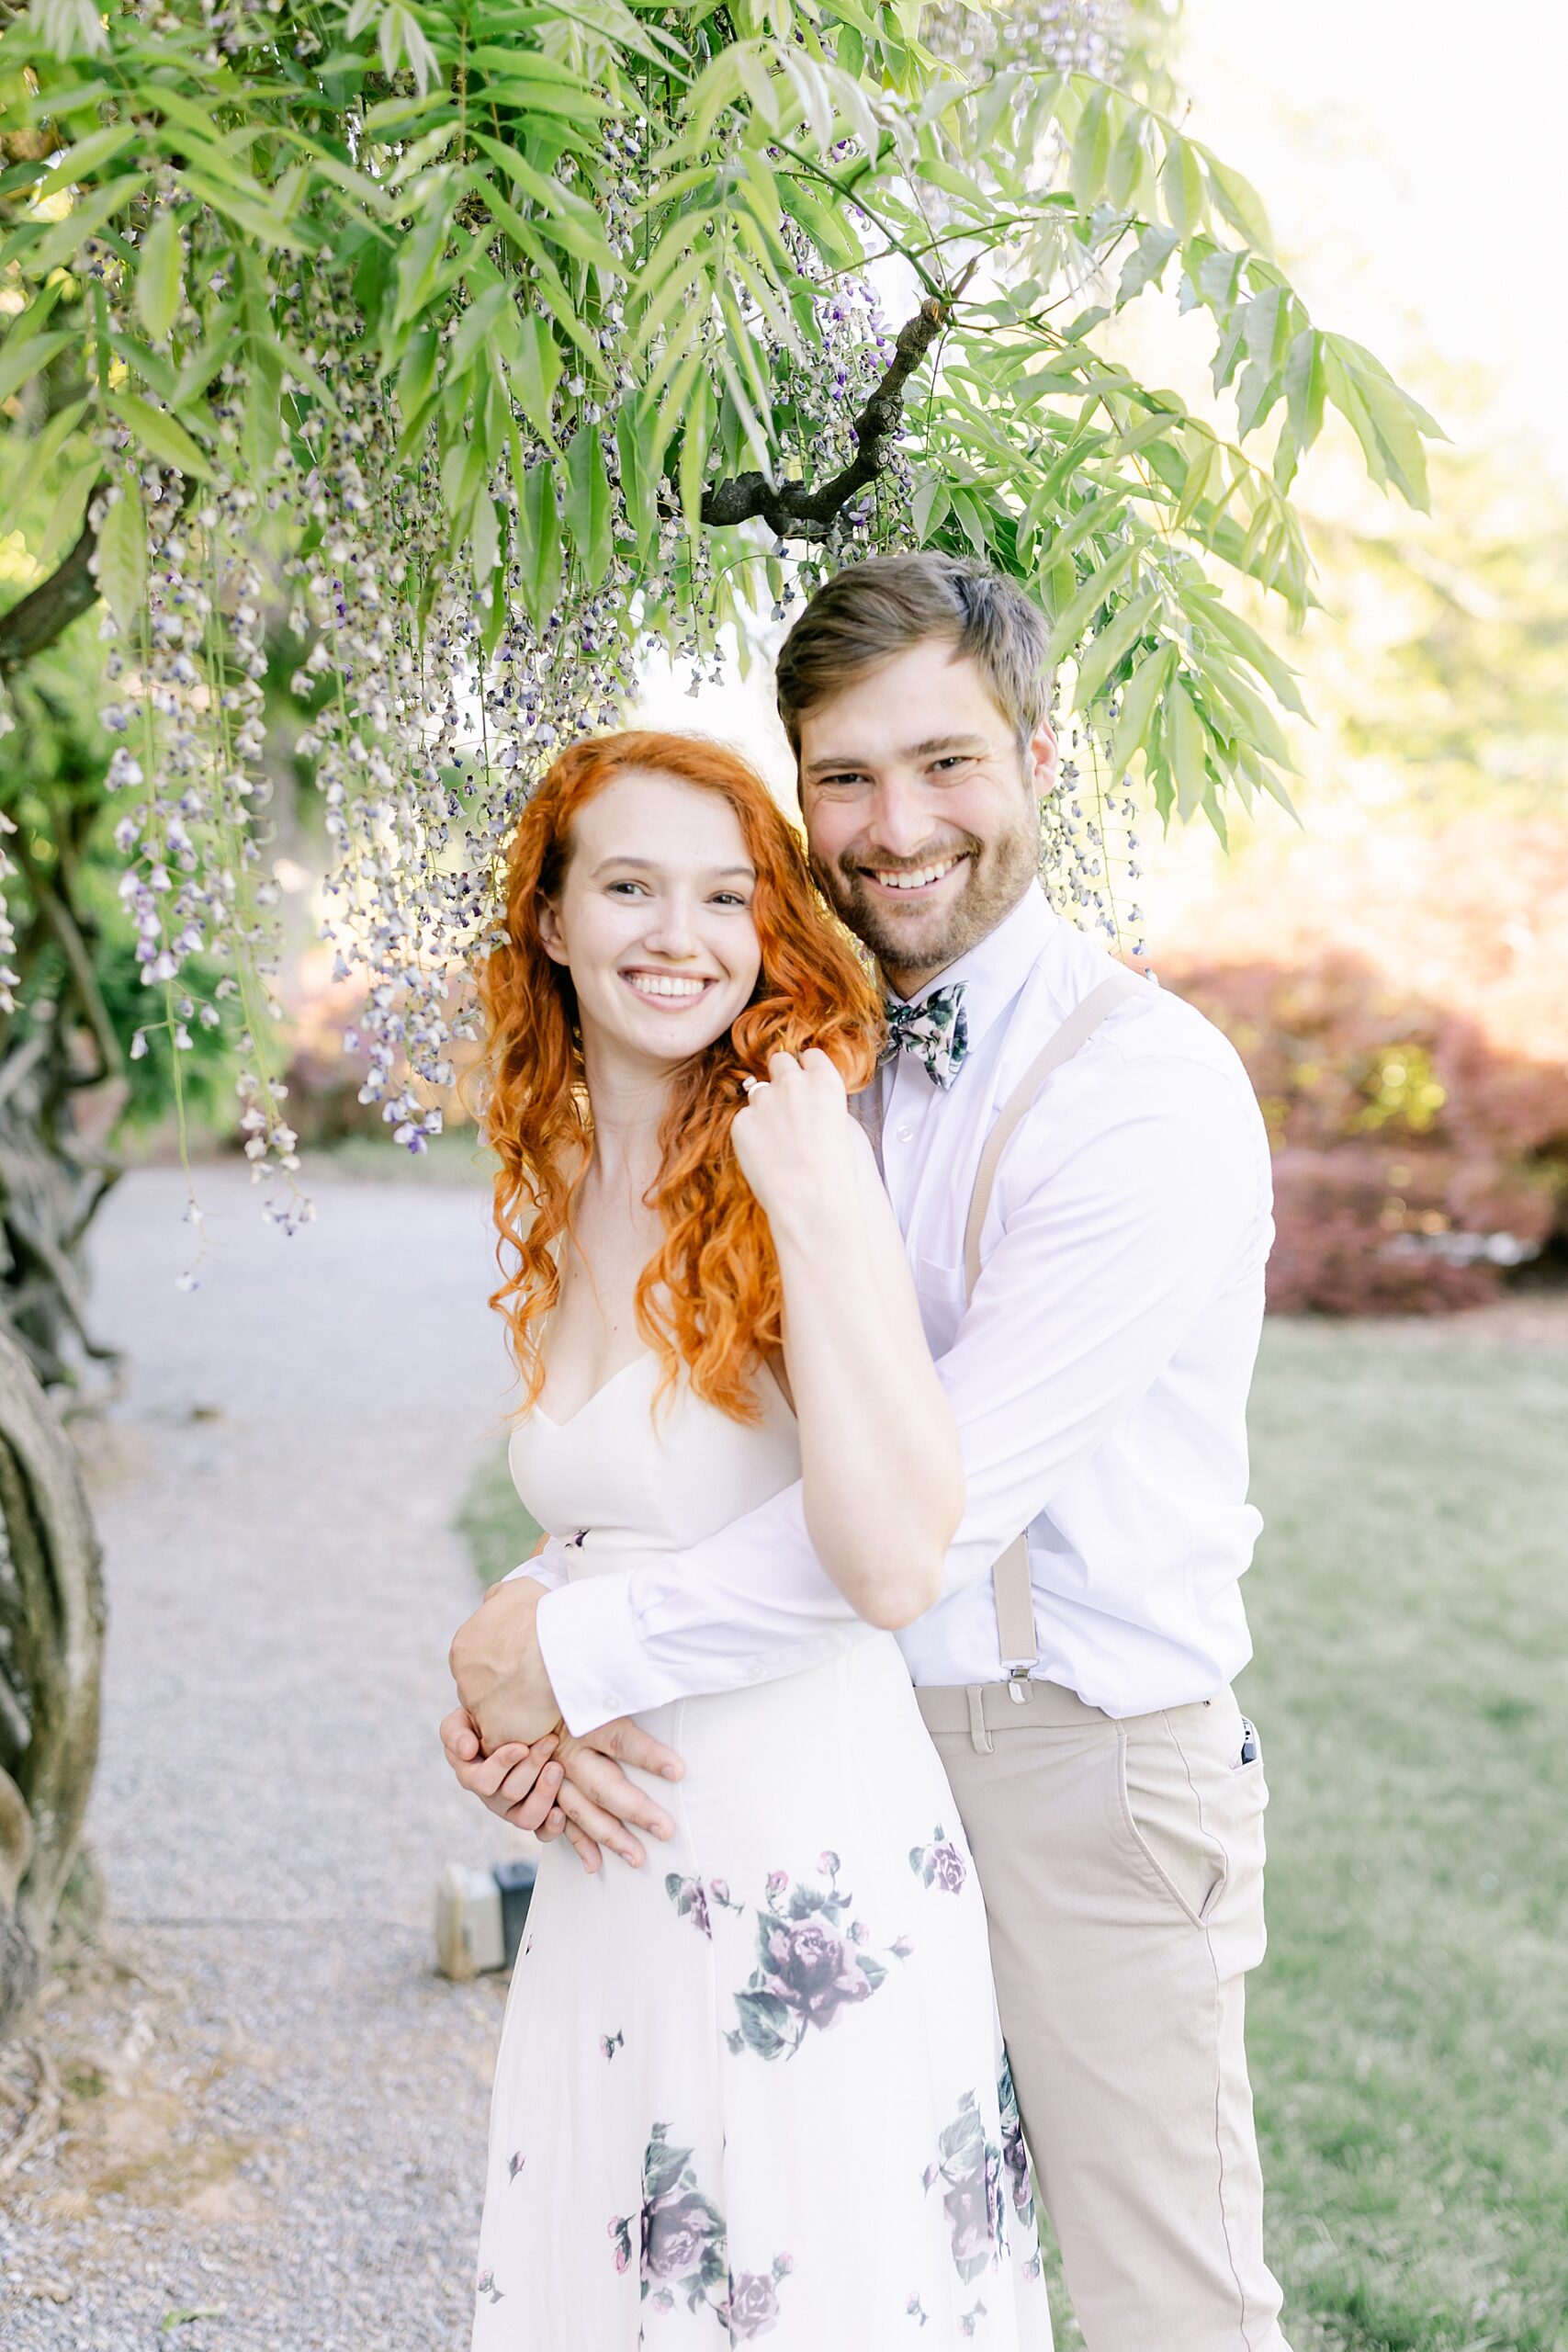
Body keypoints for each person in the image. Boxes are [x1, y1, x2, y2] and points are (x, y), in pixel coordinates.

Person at [446, 552, 1290, 2352]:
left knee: (1158, 2302)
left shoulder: (1138, 1091)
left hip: (1075, 1760)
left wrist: (562, 1660)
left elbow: (923, 1514)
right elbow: (718, 1442)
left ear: (1040, 759)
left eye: (946, 762)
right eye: (842, 775)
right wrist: (530, 1638)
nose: (895, 824)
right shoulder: (779, 1060)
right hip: (813, 1732)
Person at [451, 727, 1054, 2347]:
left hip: (803, 1860)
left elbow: (885, 1559)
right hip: (617, 1868)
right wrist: (507, 1682)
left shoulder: (797, 1151)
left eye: (727, 896)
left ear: (769, 930)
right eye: (630, 886)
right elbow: (615, 1518)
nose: (679, 935)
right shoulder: (564, 1165)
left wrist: (820, 1206)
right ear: (553, 921)